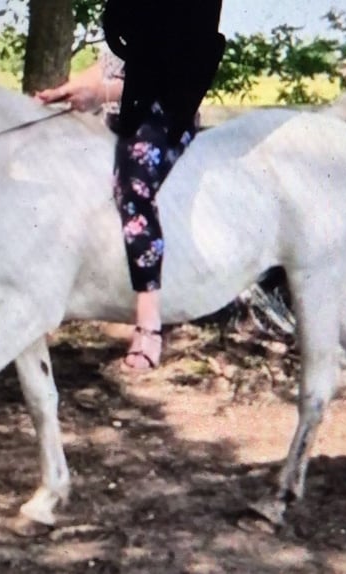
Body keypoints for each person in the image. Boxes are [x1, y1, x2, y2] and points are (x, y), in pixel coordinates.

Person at [37, 0, 225, 371]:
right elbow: (111, 64)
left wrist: (101, 94)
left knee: (134, 183)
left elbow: (168, 78)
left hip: (164, 113)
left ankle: (149, 324)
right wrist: (59, 94)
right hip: (119, 111)